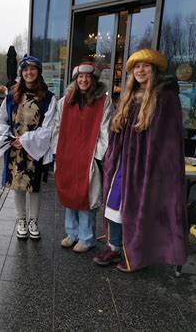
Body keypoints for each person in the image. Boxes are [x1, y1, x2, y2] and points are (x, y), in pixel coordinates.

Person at [93, 48, 187, 272]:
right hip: (123, 163)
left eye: (145, 66)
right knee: (113, 206)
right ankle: (114, 246)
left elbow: (169, 139)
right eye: (137, 66)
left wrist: (157, 166)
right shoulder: (128, 97)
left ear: (153, 70)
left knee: (138, 208)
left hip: (148, 166)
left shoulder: (165, 98)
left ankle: (135, 252)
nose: (141, 70)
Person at [0, 56, 56, 239]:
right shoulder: (11, 96)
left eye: (33, 69)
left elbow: (49, 126)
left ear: (38, 72)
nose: (29, 72)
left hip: (35, 148)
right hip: (14, 147)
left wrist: (27, 140)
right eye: (25, 69)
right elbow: (2, 120)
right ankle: (21, 220)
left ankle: (33, 221)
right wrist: (9, 138)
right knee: (17, 184)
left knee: (34, 186)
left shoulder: (48, 98)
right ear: (21, 73)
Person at [53, 62, 113, 253]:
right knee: (70, 195)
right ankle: (72, 234)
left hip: (89, 157)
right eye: (80, 77)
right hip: (68, 156)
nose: (84, 80)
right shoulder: (65, 101)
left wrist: (98, 155)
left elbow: (106, 130)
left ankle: (87, 238)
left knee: (86, 197)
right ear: (75, 79)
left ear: (93, 79)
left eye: (87, 77)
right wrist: (57, 151)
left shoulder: (104, 102)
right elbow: (57, 127)